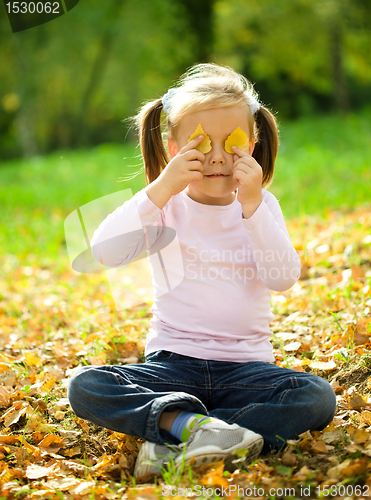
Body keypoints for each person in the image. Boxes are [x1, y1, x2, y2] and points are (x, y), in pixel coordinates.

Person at [67, 63, 336, 478]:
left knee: (317, 397)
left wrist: (252, 209)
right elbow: (103, 252)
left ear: (253, 141)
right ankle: (202, 429)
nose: (216, 156)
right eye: (199, 143)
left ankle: (176, 435)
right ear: (174, 149)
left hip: (246, 368)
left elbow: (283, 278)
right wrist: (159, 189)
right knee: (85, 385)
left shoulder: (263, 207)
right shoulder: (163, 205)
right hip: (172, 363)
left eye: (233, 142)